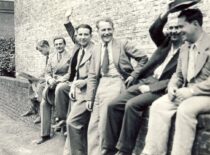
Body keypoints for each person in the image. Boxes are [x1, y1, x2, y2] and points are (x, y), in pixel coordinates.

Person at [101, 6, 183, 155]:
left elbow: (178, 78)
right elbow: (154, 30)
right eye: (171, 28)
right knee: (113, 105)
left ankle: (124, 150)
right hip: (147, 80)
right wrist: (167, 12)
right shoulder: (166, 43)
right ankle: (109, 148)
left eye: (178, 28)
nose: (174, 31)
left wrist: (151, 88)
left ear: (184, 30)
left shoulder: (187, 49)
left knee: (132, 105)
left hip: (161, 87)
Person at [141, 8, 210, 155]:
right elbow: (178, 75)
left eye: (181, 26)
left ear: (195, 24)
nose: (179, 31)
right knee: (158, 105)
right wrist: (173, 86)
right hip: (185, 92)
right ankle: (153, 152)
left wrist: (191, 91)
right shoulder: (185, 47)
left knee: (186, 109)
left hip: (205, 95)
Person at [85, 17, 148, 155]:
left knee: (104, 125)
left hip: (117, 82)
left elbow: (143, 58)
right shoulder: (96, 49)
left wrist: (133, 75)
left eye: (109, 29)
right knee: (93, 126)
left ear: (113, 30)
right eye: (103, 30)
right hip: (101, 84)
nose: (106, 32)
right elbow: (91, 74)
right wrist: (89, 97)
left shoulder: (122, 44)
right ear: (98, 32)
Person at [60, 10, 95, 155]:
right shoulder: (79, 47)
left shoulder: (95, 50)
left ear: (91, 36)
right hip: (77, 88)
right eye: (80, 34)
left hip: (89, 91)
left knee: (72, 122)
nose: (82, 37)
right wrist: (74, 84)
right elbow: (71, 32)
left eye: (86, 34)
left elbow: (99, 74)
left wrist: (84, 82)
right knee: (73, 124)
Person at [36, 36, 71, 144]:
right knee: (43, 104)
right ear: (54, 46)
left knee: (59, 91)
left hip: (64, 83)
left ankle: (61, 122)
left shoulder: (71, 56)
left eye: (61, 44)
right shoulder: (51, 57)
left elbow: (71, 73)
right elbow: (47, 72)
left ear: (64, 44)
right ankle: (45, 134)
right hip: (52, 84)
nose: (59, 46)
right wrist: (50, 79)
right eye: (56, 44)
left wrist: (61, 79)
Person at [21, 40, 50, 124]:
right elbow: (47, 70)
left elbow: (53, 71)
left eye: (41, 50)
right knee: (31, 82)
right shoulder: (47, 56)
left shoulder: (52, 56)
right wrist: (38, 76)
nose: (41, 53)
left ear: (46, 47)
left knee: (40, 87)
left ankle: (41, 115)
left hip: (51, 79)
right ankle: (33, 107)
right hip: (47, 77)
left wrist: (43, 78)